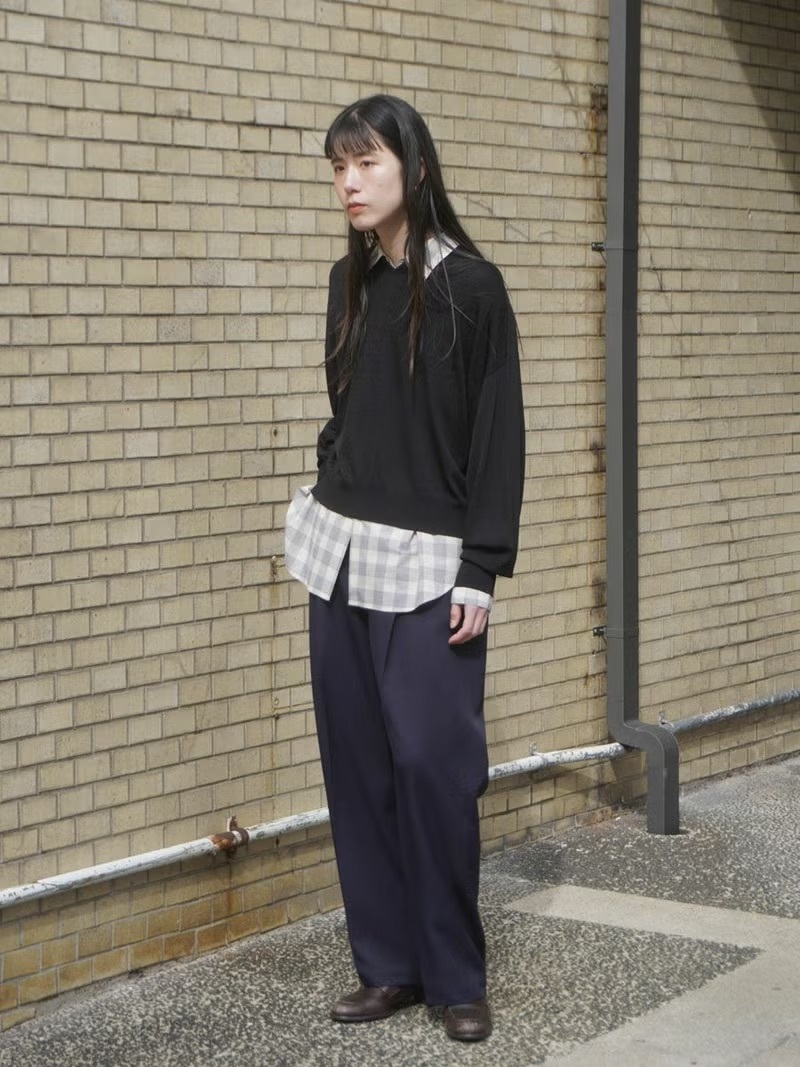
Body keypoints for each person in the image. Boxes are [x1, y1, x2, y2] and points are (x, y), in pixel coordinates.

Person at [285, 94, 525, 1043]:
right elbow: (345, 410)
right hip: (340, 557)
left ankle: (454, 974)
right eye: (338, 166)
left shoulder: (473, 287)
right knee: (357, 767)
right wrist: (332, 470)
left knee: (433, 764)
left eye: (367, 163)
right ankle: (387, 966)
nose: (349, 182)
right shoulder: (349, 286)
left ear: (414, 169)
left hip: (431, 568)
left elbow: (498, 435)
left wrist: (482, 568)